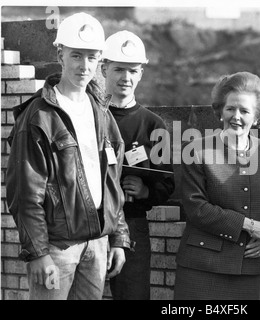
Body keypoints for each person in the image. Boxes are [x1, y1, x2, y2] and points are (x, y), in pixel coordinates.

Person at [6, 12, 130, 300]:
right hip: (57, 250)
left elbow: (113, 181)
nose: (84, 65)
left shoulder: (102, 112)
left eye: (91, 57)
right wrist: (38, 253)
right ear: (60, 54)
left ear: (100, 60)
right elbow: (25, 193)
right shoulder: (38, 116)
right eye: (76, 55)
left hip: (97, 245)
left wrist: (118, 238)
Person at [174, 71, 260, 300]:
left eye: (244, 111)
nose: (236, 116)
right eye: (230, 108)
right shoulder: (196, 150)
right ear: (220, 111)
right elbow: (197, 209)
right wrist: (249, 225)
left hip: (247, 268)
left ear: (257, 118)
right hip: (201, 268)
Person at [101, 30, 175, 300]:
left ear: (141, 73)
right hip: (88, 225)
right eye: (118, 69)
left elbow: (167, 182)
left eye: (133, 70)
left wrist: (145, 191)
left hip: (132, 223)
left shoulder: (153, 125)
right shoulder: (88, 115)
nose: (126, 77)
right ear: (103, 68)